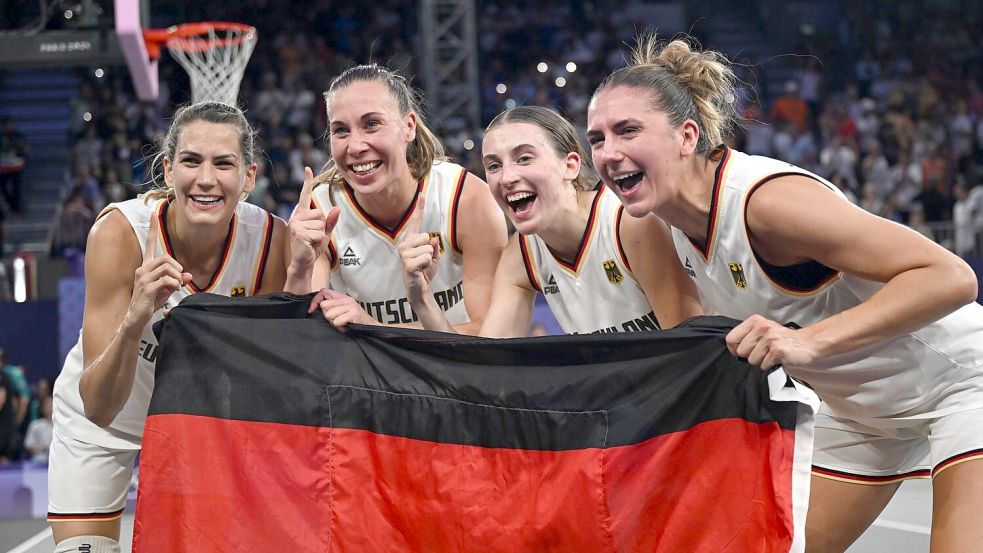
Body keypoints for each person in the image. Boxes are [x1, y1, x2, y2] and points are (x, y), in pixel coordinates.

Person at [586, 34, 983, 552]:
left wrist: (810, 342)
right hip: (862, 413)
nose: (608, 152)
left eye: (627, 130)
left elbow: (950, 275)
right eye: (595, 138)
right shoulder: (662, 224)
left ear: (687, 136)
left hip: (960, 386)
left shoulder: (765, 203)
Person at [48, 101, 288, 553]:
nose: (205, 179)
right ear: (167, 168)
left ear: (250, 177)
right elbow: (99, 407)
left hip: (194, 425)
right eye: (191, 161)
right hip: (102, 422)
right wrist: (138, 315)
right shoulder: (120, 233)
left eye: (224, 163)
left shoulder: (273, 243)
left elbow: (264, 383)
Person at [401, 105, 701, 336]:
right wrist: (422, 300)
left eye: (524, 158)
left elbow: (686, 349)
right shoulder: (521, 255)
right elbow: (486, 365)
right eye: (494, 165)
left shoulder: (631, 223)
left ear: (570, 165)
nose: (507, 177)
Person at [286, 64, 507, 333]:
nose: (355, 146)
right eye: (341, 130)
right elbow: (305, 337)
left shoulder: (465, 198)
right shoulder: (319, 210)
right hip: (366, 372)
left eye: (371, 125)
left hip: (458, 369)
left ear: (409, 127)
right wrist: (299, 269)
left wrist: (375, 328)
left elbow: (490, 335)